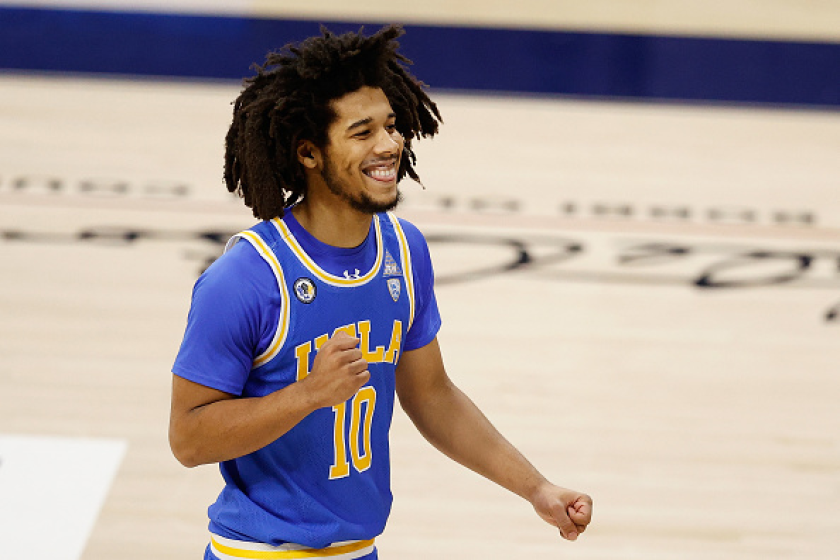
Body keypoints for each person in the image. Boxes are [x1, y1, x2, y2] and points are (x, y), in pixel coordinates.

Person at [169, 24, 592, 560]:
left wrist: (537, 488)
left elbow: (431, 395)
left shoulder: (403, 249)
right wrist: (307, 395)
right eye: (362, 132)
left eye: (391, 126)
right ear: (309, 153)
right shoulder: (245, 278)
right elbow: (187, 439)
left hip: (359, 550)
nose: (390, 144)